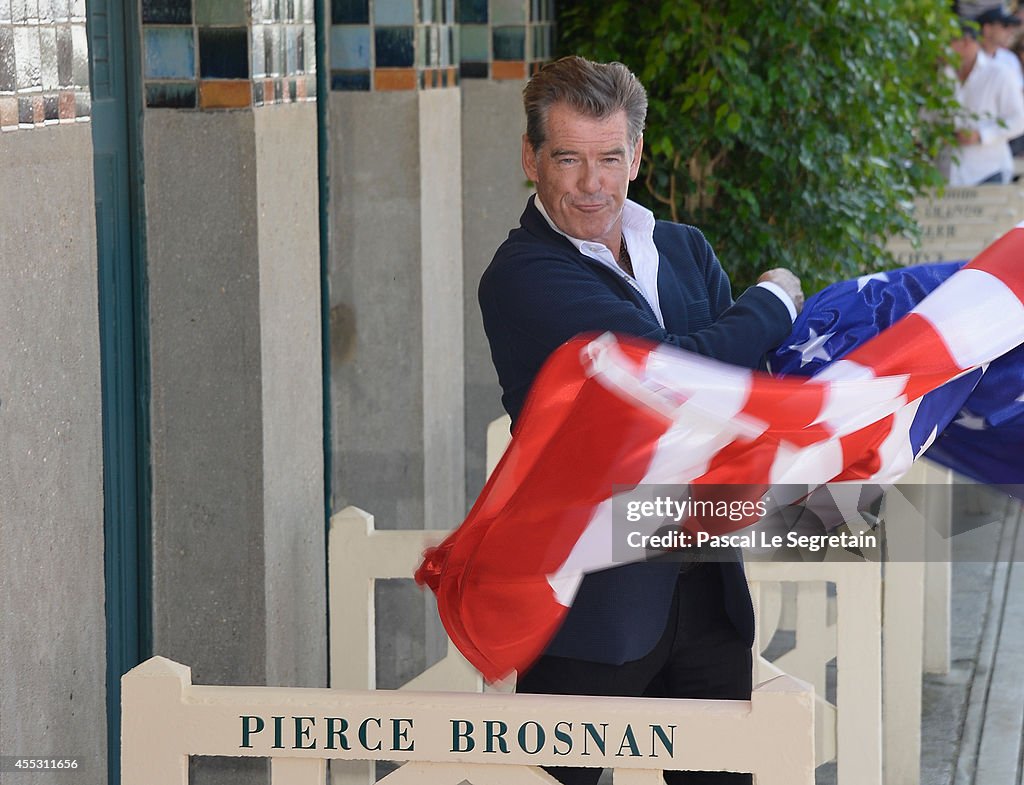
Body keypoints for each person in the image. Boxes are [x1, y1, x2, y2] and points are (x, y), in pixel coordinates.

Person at [477, 56, 803, 785]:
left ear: (638, 155)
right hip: (590, 602)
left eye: (610, 157)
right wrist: (774, 300)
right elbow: (671, 373)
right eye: (568, 158)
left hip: (708, 593)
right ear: (531, 158)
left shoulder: (685, 251)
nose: (592, 184)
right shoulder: (523, 275)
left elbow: (744, 394)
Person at [948, 20, 1024, 184]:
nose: (942, 49)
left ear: (966, 42)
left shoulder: (1000, 73)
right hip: (946, 172)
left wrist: (981, 135)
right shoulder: (941, 76)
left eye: (949, 43)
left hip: (988, 171)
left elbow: (1019, 120)